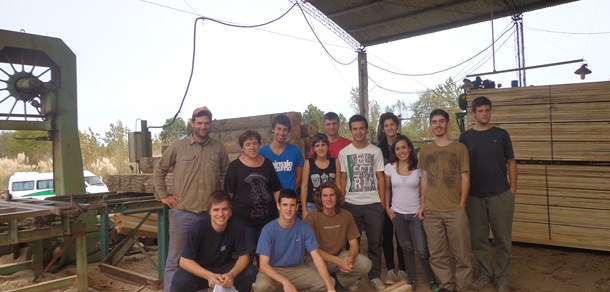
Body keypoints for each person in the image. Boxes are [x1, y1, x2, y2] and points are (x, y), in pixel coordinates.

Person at [153, 106, 230, 291]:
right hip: (183, 213)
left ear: (211, 124)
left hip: (208, 216)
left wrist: (223, 206)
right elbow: (159, 169)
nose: (203, 127)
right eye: (200, 123)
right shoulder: (178, 147)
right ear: (192, 124)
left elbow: (227, 176)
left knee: (203, 259)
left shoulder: (218, 149)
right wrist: (163, 196)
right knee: (175, 259)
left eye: (207, 123)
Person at [459, 96, 517, 292]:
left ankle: (502, 279)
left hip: (500, 194)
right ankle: (485, 275)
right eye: (480, 111)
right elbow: (462, 168)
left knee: (502, 239)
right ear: (473, 113)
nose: (484, 114)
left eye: (487, 110)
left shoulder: (501, 134)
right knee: (478, 239)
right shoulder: (465, 138)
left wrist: (513, 189)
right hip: (474, 197)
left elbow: (511, 161)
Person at [418, 109, 474, 292]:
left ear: (448, 124)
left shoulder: (459, 148)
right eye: (434, 122)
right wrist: (423, 205)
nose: (438, 125)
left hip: (454, 209)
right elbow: (424, 178)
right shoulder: (425, 151)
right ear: (430, 125)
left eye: (441, 121)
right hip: (432, 211)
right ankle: (446, 286)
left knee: (462, 254)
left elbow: (465, 177)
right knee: (437, 254)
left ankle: (463, 287)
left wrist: (462, 204)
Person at [170, 191, 257, 292]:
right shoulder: (198, 228)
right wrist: (209, 276)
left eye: (225, 209)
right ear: (210, 212)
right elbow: (184, 261)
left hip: (224, 270)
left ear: (230, 211)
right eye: (216, 210)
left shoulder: (237, 226)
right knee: (180, 279)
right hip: (201, 271)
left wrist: (231, 274)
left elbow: (244, 257)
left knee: (250, 271)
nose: (221, 214)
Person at [252, 189, 336, 292]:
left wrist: (331, 289)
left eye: (292, 205)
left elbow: (317, 258)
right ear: (278, 206)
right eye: (285, 205)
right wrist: (285, 282)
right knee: (262, 286)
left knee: (328, 283)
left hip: (296, 270)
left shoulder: (304, 227)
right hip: (272, 270)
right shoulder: (268, 230)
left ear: (296, 207)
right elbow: (263, 265)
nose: (288, 209)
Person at [338, 114, 387, 290]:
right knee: (352, 244)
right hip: (351, 204)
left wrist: (381, 201)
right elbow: (343, 178)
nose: (359, 132)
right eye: (355, 128)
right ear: (350, 130)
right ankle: (354, 277)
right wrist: (342, 199)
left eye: (361, 128)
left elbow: (380, 177)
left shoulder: (376, 151)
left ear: (366, 129)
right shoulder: (344, 153)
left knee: (375, 243)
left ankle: (375, 276)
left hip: (373, 203)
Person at [384, 135, 439, 291]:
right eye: (397, 148)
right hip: (398, 215)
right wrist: (388, 208)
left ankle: (432, 280)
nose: (401, 151)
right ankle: (413, 279)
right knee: (406, 249)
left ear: (409, 148)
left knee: (422, 250)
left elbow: (424, 190)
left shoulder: (419, 168)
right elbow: (387, 189)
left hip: (415, 214)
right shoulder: (390, 168)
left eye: (404, 147)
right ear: (394, 151)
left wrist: (422, 207)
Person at [224, 129, 282, 257]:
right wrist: (228, 215)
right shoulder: (234, 167)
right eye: (248, 144)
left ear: (259, 145)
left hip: (268, 220)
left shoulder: (267, 164)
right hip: (244, 222)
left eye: (255, 143)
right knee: (248, 255)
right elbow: (229, 194)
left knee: (266, 254)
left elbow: (276, 189)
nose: (252, 147)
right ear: (242, 147)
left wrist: (280, 211)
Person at [304, 182, 372, 291]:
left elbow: (354, 244)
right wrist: (338, 261)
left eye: (332, 195)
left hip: (339, 254)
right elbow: (313, 250)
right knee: (318, 283)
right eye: (325, 196)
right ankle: (332, 281)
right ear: (320, 198)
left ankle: (339, 280)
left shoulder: (346, 215)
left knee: (365, 264)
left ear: (337, 197)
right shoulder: (312, 217)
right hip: (317, 259)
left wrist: (350, 259)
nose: (329, 199)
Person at [377, 112, 406, 284]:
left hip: (403, 196)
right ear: (382, 128)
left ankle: (403, 269)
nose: (389, 128)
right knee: (386, 235)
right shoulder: (378, 148)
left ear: (397, 125)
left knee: (402, 235)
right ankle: (389, 269)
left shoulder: (405, 144)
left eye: (392, 124)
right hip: (385, 196)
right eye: (386, 125)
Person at [259, 113, 304, 191]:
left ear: (288, 131)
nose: (281, 133)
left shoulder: (296, 151)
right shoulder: (262, 152)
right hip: (270, 198)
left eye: (285, 129)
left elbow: (299, 177)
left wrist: (291, 193)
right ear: (273, 129)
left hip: (289, 199)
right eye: (279, 129)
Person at [301, 133, 341, 218]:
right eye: (317, 145)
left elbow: (338, 185)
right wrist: (304, 209)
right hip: (312, 204)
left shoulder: (335, 162)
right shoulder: (308, 163)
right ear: (314, 149)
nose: (321, 148)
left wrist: (339, 204)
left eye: (323, 145)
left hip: (330, 203)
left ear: (327, 146)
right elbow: (304, 186)